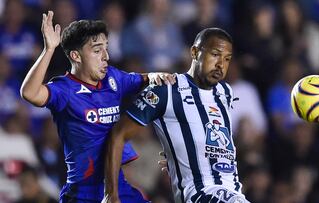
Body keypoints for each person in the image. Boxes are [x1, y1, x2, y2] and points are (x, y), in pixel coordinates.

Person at [20, 11, 175, 202]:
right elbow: (30, 93)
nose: (106, 56)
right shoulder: (65, 89)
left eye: (106, 48)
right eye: (96, 50)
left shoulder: (113, 77)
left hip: (117, 185)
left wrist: (152, 76)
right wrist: (49, 50)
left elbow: (140, 78)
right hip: (82, 191)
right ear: (76, 56)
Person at [103, 28, 250, 203]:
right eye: (215, 54)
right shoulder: (167, 89)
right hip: (200, 195)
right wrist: (111, 193)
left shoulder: (225, 92)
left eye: (227, 59)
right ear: (194, 52)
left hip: (234, 194)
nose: (221, 65)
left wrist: (179, 156)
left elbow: (215, 143)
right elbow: (117, 134)